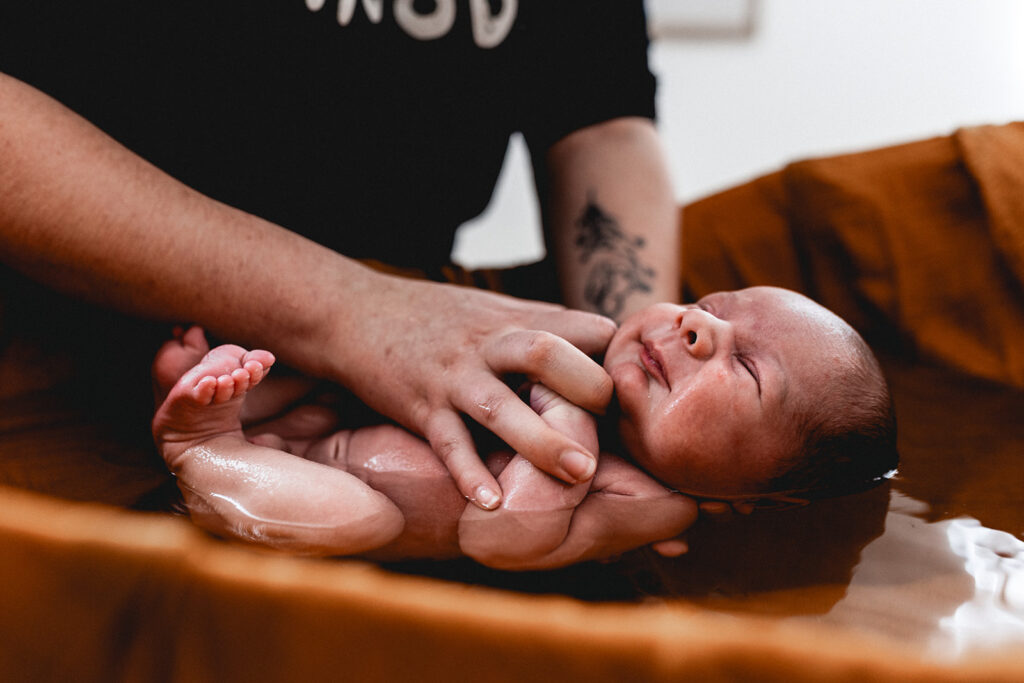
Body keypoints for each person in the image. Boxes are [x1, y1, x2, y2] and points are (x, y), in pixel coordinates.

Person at [0, 2, 678, 531]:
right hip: (56, 355)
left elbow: (600, 116)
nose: (698, 328)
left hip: (391, 361)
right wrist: (349, 310)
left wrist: (624, 400)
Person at [151, 286, 897, 566]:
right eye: (714, 302)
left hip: (340, 488)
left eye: (747, 369)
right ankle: (243, 393)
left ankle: (208, 445)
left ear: (752, 496)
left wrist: (561, 413)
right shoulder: (579, 347)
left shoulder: (651, 500)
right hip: (343, 424)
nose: (698, 326)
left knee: (357, 516)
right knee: (347, 371)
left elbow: (500, 534)